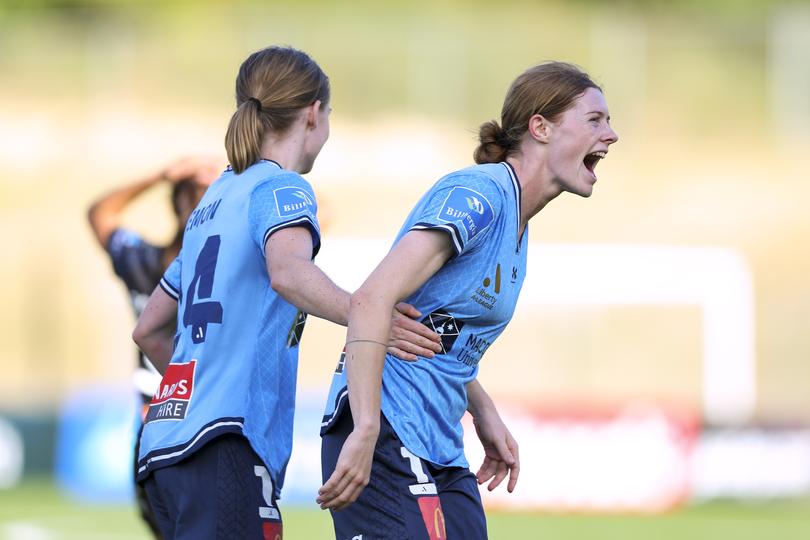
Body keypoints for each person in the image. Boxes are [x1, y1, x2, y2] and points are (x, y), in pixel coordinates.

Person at [131, 46, 441, 540]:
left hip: (166, 450)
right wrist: (366, 315)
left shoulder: (214, 200)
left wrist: (199, 389)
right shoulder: (283, 188)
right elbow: (288, 274)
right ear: (314, 113)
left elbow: (148, 328)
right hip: (225, 443)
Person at [318, 61, 620, 539]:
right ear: (540, 127)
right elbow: (371, 298)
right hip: (386, 432)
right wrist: (366, 428)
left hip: (438, 441)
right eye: (595, 120)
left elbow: (439, 326)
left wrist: (481, 407)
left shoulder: (518, 221)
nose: (612, 134)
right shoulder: (478, 196)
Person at [87, 155, 221, 538]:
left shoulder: (235, 264)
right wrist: (160, 174)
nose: (203, 206)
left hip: (210, 422)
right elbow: (100, 213)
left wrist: (242, 175)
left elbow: (318, 215)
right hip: (161, 424)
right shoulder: (145, 262)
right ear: (178, 206)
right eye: (195, 197)